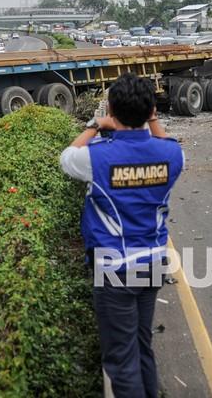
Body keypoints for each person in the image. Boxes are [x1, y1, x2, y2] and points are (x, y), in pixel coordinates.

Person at [59, 73, 184, 398]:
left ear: (112, 109)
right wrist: (152, 117)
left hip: (114, 270)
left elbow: (66, 158)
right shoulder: (172, 156)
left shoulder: (96, 158)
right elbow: (164, 140)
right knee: (142, 345)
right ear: (151, 110)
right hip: (154, 263)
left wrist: (95, 125)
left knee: (121, 361)